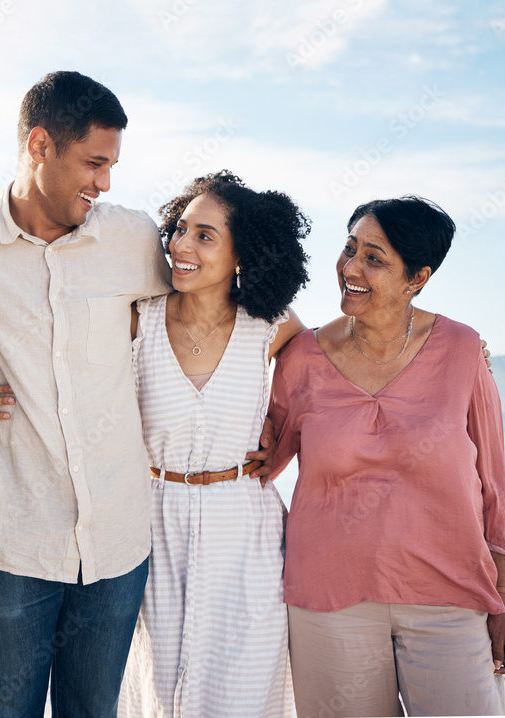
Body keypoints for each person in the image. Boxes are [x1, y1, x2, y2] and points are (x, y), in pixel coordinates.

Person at [0, 71, 172, 717]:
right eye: (93, 162)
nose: (105, 182)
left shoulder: (135, 238)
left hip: (116, 538)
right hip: (13, 533)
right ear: (39, 146)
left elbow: (218, 313)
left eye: (112, 166)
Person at [265, 196, 505, 717]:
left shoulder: (463, 349)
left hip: (450, 599)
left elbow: (492, 484)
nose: (350, 268)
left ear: (417, 278)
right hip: (328, 602)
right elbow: (259, 462)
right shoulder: (302, 358)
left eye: (374, 259)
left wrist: (502, 601)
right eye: (349, 248)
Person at [117, 171, 310, 717]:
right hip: (154, 524)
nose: (181, 245)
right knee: (157, 691)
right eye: (180, 229)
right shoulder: (139, 319)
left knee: (245, 689)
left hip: (245, 529)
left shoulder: (269, 326)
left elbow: (329, 377)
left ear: (241, 255)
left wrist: (284, 438)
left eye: (205, 236)